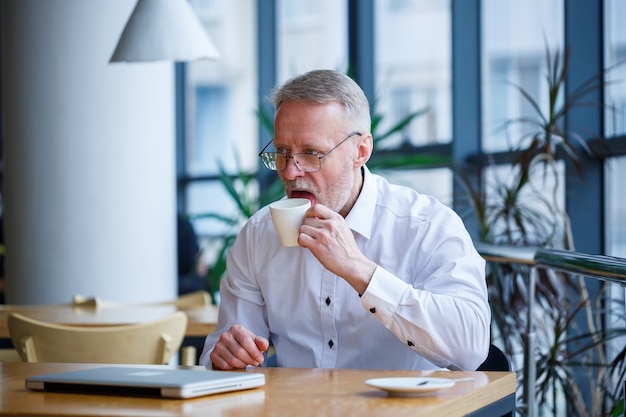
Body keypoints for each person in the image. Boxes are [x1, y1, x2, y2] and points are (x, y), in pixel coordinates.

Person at [199, 69, 490, 371]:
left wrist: (359, 269)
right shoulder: (259, 235)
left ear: (360, 151)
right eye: (282, 152)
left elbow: (470, 349)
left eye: (311, 153)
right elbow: (225, 354)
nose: (289, 171)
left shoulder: (426, 225)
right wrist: (228, 356)